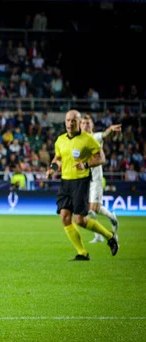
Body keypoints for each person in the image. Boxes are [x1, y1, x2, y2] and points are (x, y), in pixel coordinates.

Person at [47, 110, 118, 260]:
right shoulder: (60, 140)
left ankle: (110, 236)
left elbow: (101, 158)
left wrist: (86, 164)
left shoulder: (88, 139)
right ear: (65, 122)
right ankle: (82, 253)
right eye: (68, 120)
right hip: (65, 182)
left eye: (74, 120)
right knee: (65, 217)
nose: (70, 123)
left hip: (81, 182)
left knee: (79, 220)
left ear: (79, 122)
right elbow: (57, 158)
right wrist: (52, 169)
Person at [80, 115, 121, 243]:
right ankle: (98, 236)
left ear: (92, 125)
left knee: (93, 209)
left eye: (88, 123)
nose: (86, 125)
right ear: (80, 125)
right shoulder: (78, 140)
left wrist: (110, 129)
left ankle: (111, 217)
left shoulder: (95, 137)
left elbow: (104, 135)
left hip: (95, 178)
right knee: (86, 210)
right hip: (83, 179)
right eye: (84, 123)